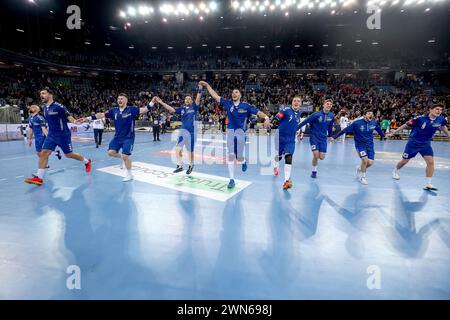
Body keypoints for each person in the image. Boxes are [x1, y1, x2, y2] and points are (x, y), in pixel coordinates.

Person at [200, 81, 270, 189]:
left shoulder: (246, 106)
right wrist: (207, 85)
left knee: (239, 157)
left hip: (241, 133)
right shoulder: (228, 103)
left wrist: (266, 118)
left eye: (236, 92)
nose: (234, 94)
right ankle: (231, 180)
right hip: (231, 132)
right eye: (233, 92)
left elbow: (258, 112)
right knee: (231, 155)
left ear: (240, 95)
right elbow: (215, 96)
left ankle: (243, 161)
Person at [77, 94, 158, 182]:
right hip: (117, 137)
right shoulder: (113, 111)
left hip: (128, 137)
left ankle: (130, 174)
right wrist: (87, 118)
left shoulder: (132, 109)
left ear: (126, 100)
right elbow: (101, 115)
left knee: (125, 155)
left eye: (121, 99)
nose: (119, 100)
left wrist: (152, 102)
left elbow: (145, 109)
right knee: (110, 153)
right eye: (118, 99)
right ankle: (123, 159)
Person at [24, 87, 92, 186]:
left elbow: (69, 116)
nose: (41, 95)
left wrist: (75, 121)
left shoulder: (58, 106)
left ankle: (87, 161)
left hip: (62, 135)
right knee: (43, 154)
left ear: (50, 94)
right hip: (51, 134)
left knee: (69, 155)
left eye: (43, 93)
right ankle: (39, 177)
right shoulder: (45, 108)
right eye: (40, 94)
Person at [387, 104, 449, 191]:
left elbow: (443, 127)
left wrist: (449, 135)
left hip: (426, 144)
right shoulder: (419, 119)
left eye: (441, 110)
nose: (439, 111)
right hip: (413, 143)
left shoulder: (441, 119)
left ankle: (428, 183)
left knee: (430, 163)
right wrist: (394, 132)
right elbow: (406, 125)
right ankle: (395, 171)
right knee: (404, 161)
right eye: (437, 109)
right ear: (430, 110)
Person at [156, 85, 202, 174]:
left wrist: (200, 88)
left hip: (191, 133)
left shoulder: (194, 107)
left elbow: (198, 98)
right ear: (184, 101)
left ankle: (191, 164)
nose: (187, 100)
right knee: (177, 149)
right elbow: (170, 109)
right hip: (183, 132)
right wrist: (161, 102)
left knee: (190, 152)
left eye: (189, 99)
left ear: (191, 101)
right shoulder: (182, 109)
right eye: (186, 99)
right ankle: (180, 165)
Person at [333, 110, 385, 185]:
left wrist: (384, 135)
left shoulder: (374, 122)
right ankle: (363, 177)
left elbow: (379, 130)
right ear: (364, 115)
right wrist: (335, 136)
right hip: (360, 145)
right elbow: (344, 130)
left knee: (370, 163)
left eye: (372, 114)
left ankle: (359, 169)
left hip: (370, 145)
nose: (371, 115)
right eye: (368, 113)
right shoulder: (357, 123)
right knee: (364, 160)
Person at [297, 98, 335, 178]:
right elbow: (305, 121)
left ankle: (315, 161)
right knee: (316, 155)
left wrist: (331, 135)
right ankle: (314, 171)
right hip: (314, 137)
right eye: (327, 104)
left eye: (330, 105)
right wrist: (295, 129)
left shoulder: (331, 116)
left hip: (323, 139)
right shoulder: (316, 114)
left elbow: (330, 127)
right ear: (323, 105)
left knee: (321, 157)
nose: (329, 105)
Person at [271, 96, 303, 190]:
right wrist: (273, 124)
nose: (296, 102)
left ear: (300, 103)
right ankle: (275, 165)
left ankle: (286, 181)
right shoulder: (285, 110)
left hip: (290, 140)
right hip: (280, 138)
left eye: (298, 101)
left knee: (288, 157)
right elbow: (276, 119)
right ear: (292, 102)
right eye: (294, 101)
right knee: (279, 157)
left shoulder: (299, 114)